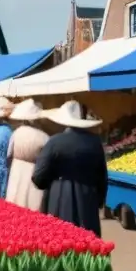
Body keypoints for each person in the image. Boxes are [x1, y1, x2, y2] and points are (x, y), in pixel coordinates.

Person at [32, 100, 107, 237]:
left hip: (59, 196)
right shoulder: (95, 143)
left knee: (60, 241)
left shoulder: (55, 142)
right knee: (87, 244)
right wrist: (99, 200)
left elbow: (38, 177)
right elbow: (102, 176)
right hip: (87, 198)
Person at [4, 99, 50, 211]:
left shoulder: (17, 132)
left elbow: (8, 154)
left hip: (17, 169)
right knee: (31, 202)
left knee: (14, 199)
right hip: (34, 171)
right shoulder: (44, 137)